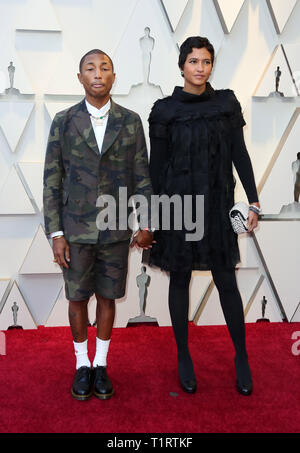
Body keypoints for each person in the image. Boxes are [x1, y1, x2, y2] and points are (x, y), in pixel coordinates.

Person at [146, 37, 261, 396]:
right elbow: (155, 167)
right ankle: (183, 355)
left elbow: (240, 154)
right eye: (193, 61)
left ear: (212, 65)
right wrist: (151, 216)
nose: (200, 68)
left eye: (206, 61)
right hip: (177, 208)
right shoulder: (164, 110)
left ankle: (241, 356)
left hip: (216, 206)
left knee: (226, 280)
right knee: (179, 279)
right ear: (181, 65)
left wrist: (254, 203)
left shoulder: (226, 104)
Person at [43, 49, 154, 401]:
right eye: (90, 68)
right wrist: (56, 233)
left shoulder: (131, 121)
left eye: (105, 68)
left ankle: (101, 364)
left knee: (108, 297)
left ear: (113, 76)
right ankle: (81, 365)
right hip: (74, 232)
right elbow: (52, 181)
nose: (97, 73)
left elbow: (142, 177)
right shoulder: (63, 121)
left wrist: (147, 221)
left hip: (116, 231)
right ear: (80, 78)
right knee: (77, 298)